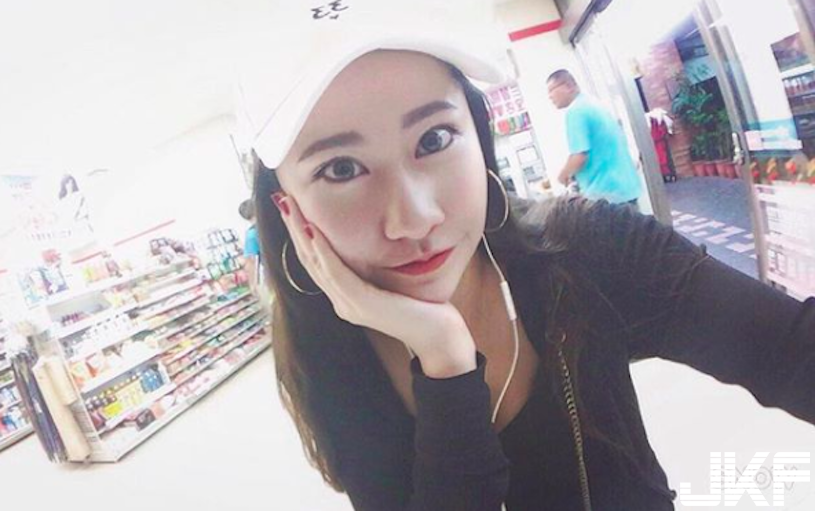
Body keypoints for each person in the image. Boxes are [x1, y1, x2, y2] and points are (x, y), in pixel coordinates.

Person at [239, 3, 815, 510]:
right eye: (341, 169)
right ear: (287, 209)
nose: (414, 218)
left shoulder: (587, 249)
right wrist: (444, 359)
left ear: (480, 139)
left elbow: (790, 352)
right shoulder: (327, 349)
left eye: (434, 139)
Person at [547, 69, 643, 207]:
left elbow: (579, 156)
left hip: (607, 193)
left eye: (552, 90)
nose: (550, 96)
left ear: (569, 86)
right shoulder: (593, 103)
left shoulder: (575, 112)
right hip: (626, 187)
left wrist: (562, 176)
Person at [239, 199, 261, 298]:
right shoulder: (271, 223)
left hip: (273, 273)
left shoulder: (251, 235)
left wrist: (253, 284)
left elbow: (251, 261)